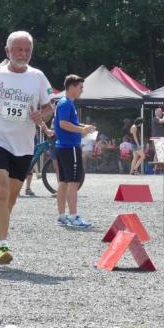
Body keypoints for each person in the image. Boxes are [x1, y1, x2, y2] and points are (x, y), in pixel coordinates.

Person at [0, 30, 54, 265]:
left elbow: (49, 107)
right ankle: (3, 245)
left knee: (10, 200)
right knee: (1, 192)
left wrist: (41, 115)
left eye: (27, 50)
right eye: (18, 49)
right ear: (8, 51)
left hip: (24, 146)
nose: (23, 54)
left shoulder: (38, 77)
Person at [54, 75, 96, 227]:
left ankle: (61, 216)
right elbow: (63, 124)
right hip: (70, 147)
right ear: (71, 87)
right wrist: (81, 130)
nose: (82, 90)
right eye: (80, 87)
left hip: (63, 147)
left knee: (64, 181)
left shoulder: (64, 103)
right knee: (73, 181)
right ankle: (73, 217)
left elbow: (68, 123)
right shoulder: (67, 104)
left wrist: (84, 127)